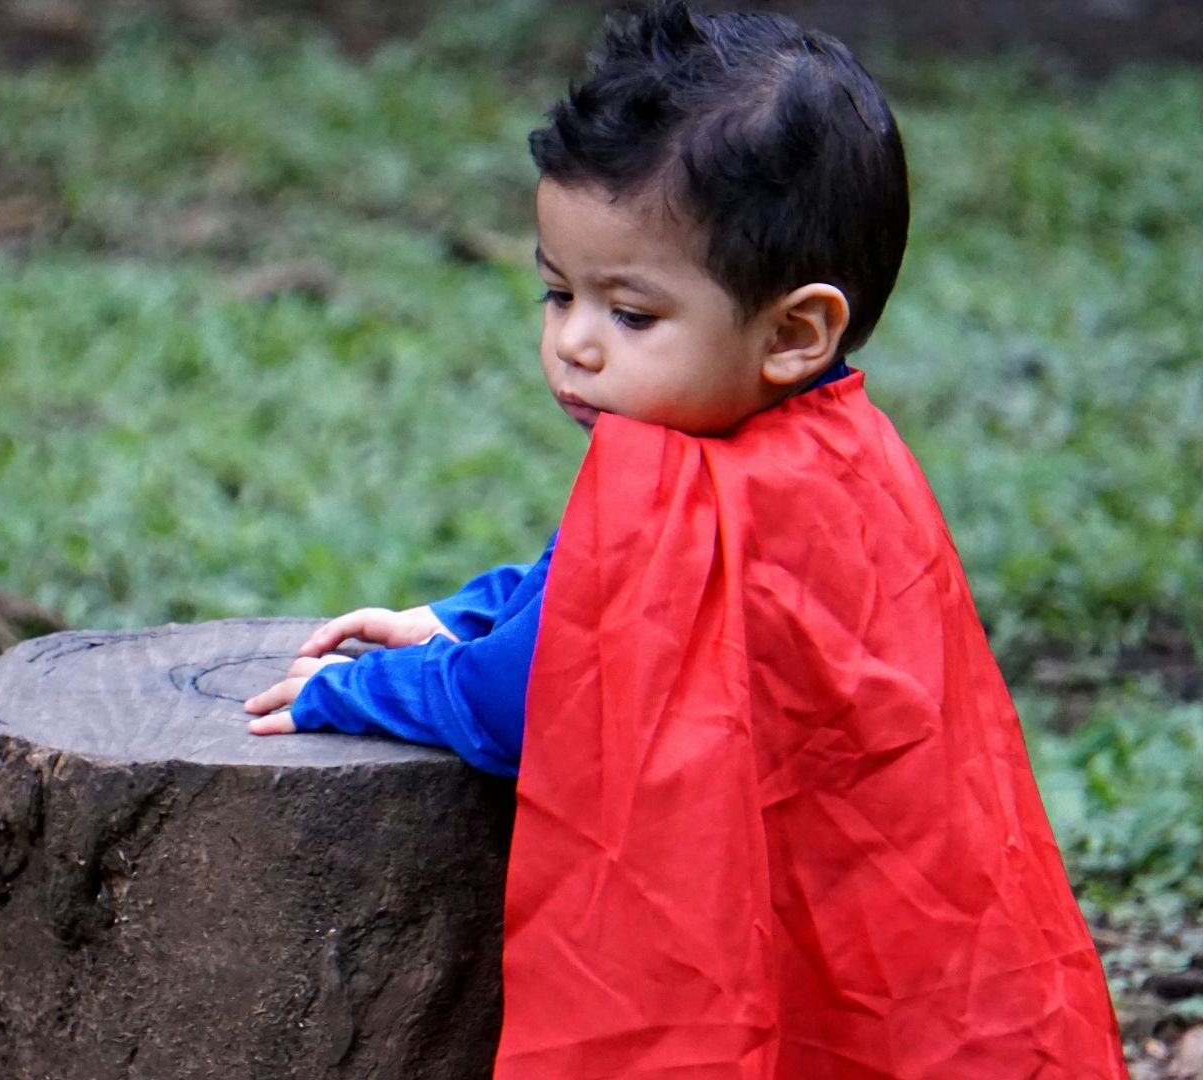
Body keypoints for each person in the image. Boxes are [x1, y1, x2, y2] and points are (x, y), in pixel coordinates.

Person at [243, 3, 1128, 1076]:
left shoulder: (684, 482)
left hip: (809, 941)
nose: (573, 345)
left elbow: (540, 692)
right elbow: (611, 595)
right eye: (557, 291)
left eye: (632, 314)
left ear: (796, 333)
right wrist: (465, 614)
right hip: (919, 937)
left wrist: (360, 694)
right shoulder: (842, 447)